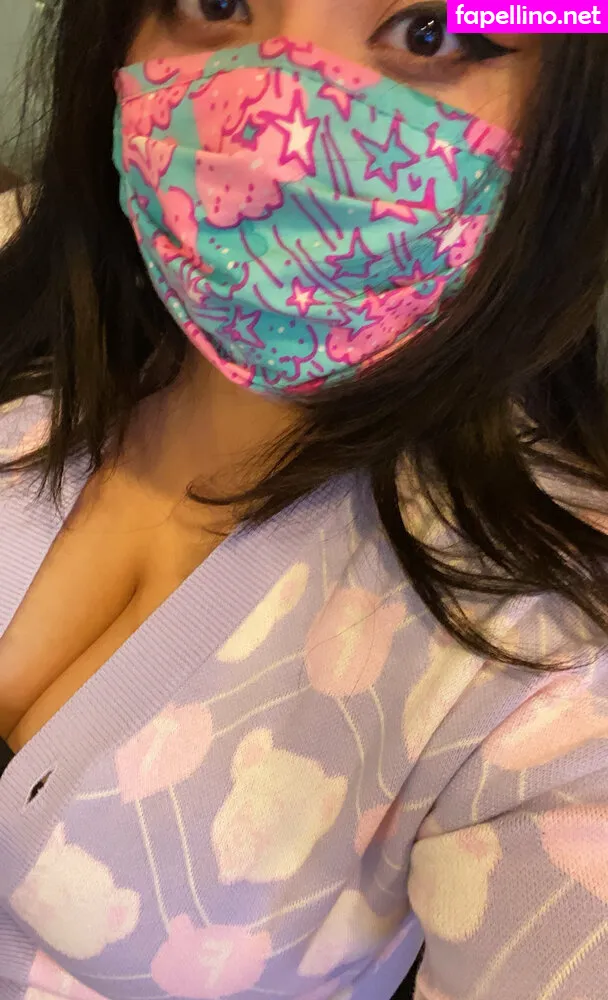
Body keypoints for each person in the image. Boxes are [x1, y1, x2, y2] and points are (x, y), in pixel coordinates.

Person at [0, 1, 607, 998]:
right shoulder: (26, 279)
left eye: (430, 31)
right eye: (218, 1)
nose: (275, 123)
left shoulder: (552, 660)